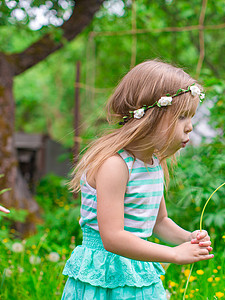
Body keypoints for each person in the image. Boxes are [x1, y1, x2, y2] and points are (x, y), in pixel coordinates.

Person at [62, 60, 213, 299]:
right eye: (182, 117)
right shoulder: (115, 165)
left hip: (137, 270)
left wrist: (187, 238)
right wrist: (174, 254)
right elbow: (112, 237)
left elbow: (159, 222)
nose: (190, 127)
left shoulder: (153, 164)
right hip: (104, 273)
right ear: (151, 115)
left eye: (191, 117)